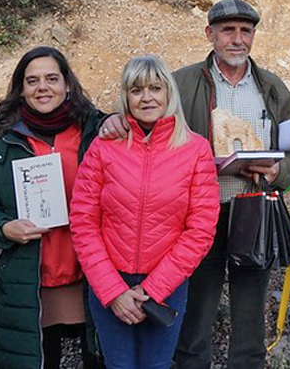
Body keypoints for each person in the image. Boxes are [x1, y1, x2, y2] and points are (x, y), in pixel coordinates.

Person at [170, 0, 290, 369]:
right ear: (209, 34)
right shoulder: (180, 84)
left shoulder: (272, 88)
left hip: (254, 213)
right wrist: (213, 166)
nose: (238, 39)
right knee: (197, 310)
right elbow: (162, 149)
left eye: (246, 31)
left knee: (250, 315)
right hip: (200, 216)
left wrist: (278, 172)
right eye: (228, 30)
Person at [69, 55, 219, 369]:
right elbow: (83, 222)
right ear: (126, 97)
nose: (147, 97)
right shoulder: (103, 148)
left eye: (155, 88)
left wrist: (151, 290)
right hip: (110, 281)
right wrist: (113, 291)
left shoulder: (196, 150)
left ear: (169, 94)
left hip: (167, 284)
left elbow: (201, 230)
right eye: (137, 90)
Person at [0, 47, 106, 368]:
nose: (42, 87)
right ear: (21, 89)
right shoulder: (0, 140)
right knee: (38, 359)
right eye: (32, 81)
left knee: (99, 357)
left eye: (51, 78)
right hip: (31, 277)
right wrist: (4, 228)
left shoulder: (95, 133)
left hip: (91, 274)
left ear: (67, 85)